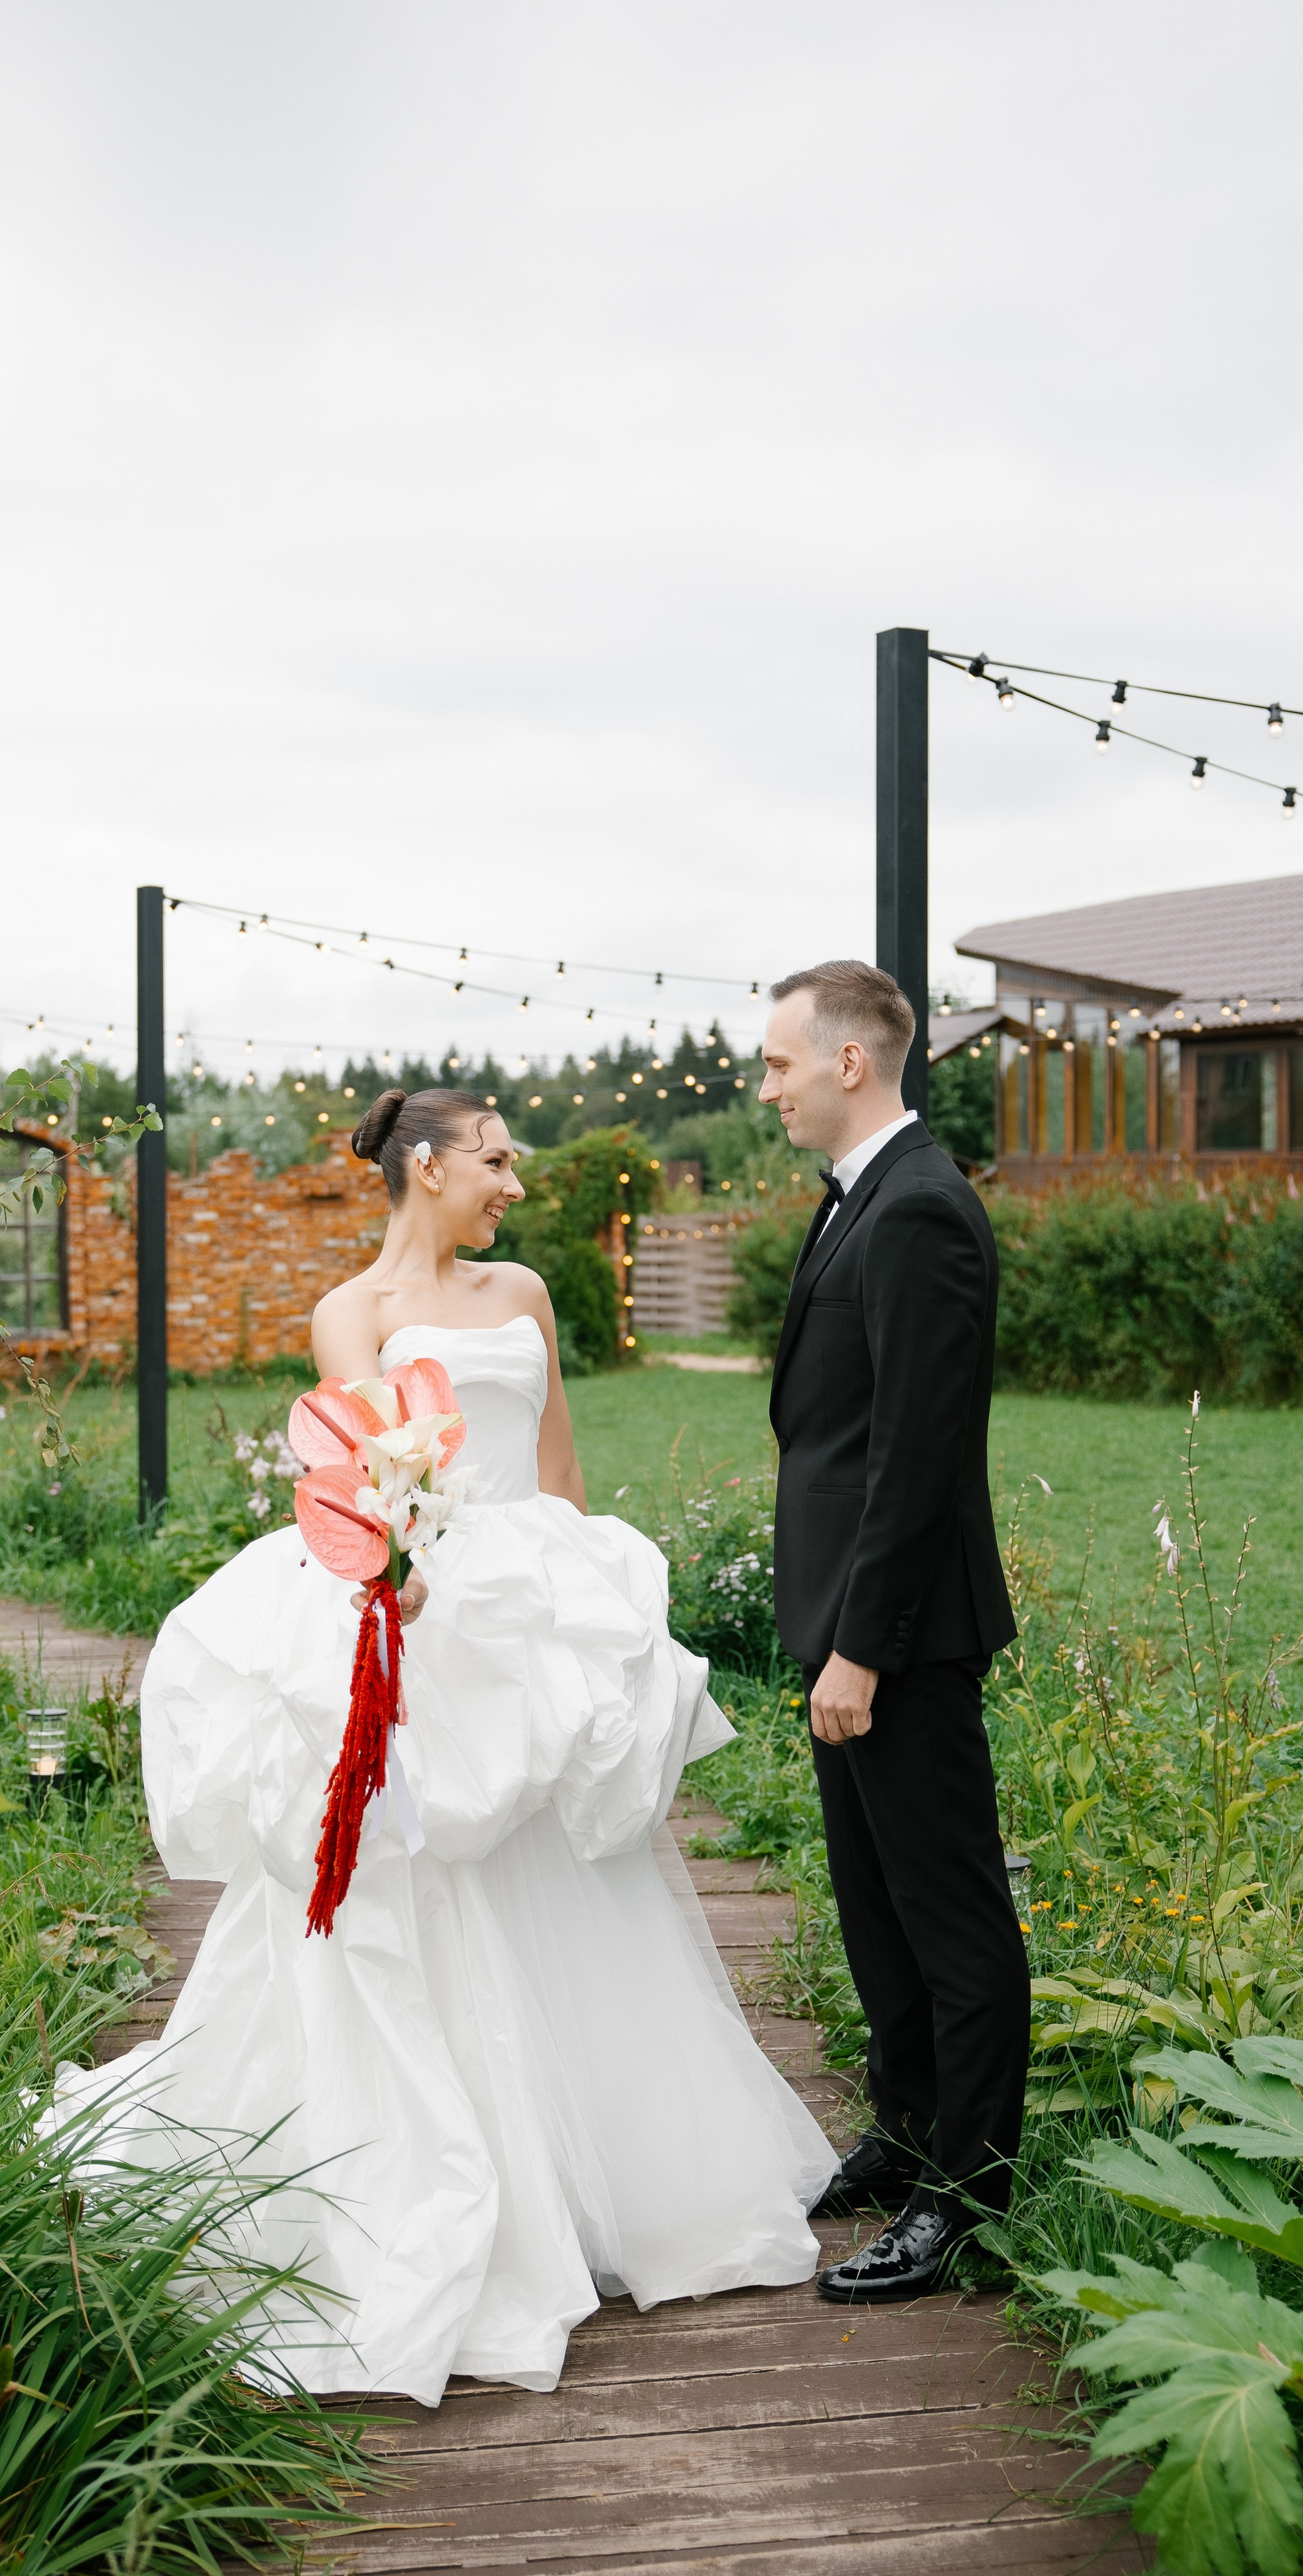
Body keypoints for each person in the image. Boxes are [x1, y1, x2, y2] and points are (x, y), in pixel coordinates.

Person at [50, 1085, 832, 2405]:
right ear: (426, 1165)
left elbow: (564, 1469)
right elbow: (359, 1480)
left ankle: (610, 2183)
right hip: (422, 1607)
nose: (513, 1181)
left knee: (570, 1874)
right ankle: (459, 2175)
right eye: (495, 1158)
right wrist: (396, 1587)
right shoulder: (349, 1312)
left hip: (534, 1601)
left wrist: (607, 1610)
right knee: (430, 1871)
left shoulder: (524, 1290)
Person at [759, 961, 1026, 2303]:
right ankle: (908, 2122)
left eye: (776, 1063)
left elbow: (918, 1458)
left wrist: (861, 1645)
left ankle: (965, 2196)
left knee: (949, 1918)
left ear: (848, 1062)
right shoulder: (855, 1202)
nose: (766, 1085)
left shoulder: (920, 1210)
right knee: (872, 1910)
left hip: (899, 1637)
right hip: (843, 1624)